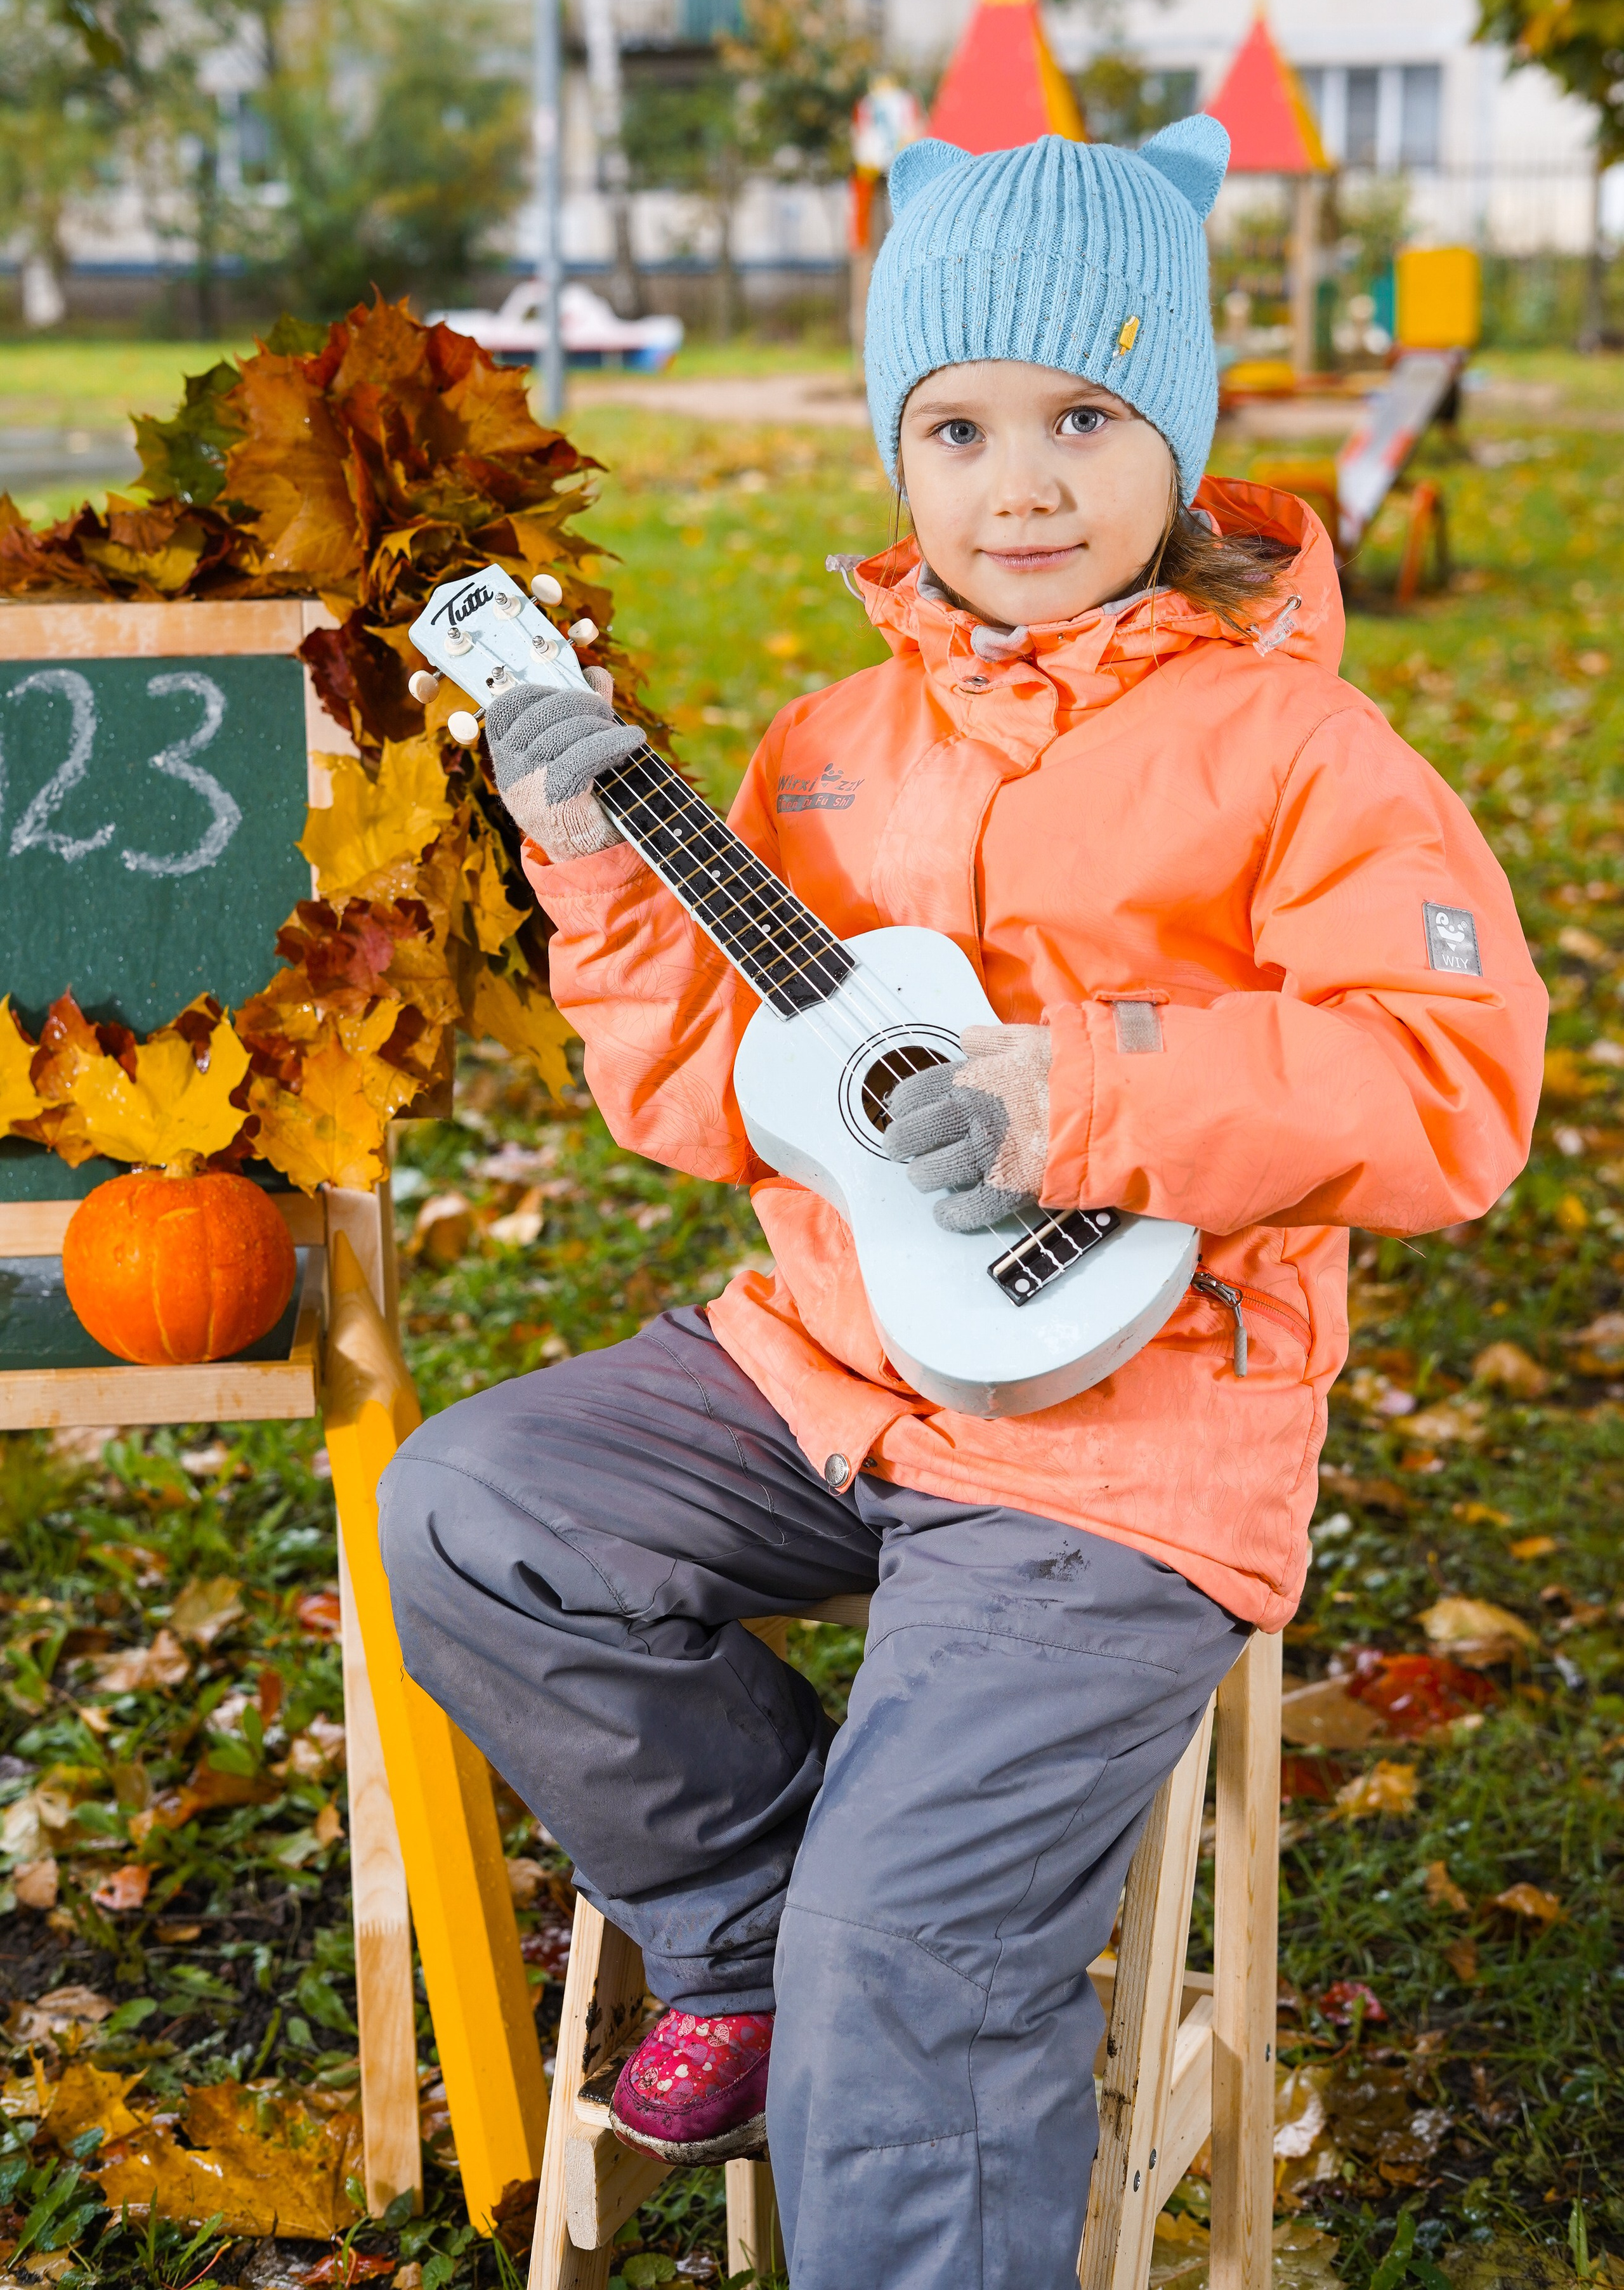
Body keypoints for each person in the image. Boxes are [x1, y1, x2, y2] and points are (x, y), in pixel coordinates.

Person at [377, 121, 1545, 2288]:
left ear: (1176, 437)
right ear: (896, 454)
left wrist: (1087, 1090)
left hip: (1126, 1440)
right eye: (960, 426)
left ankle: (869, 1976)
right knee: (468, 1509)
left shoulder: (1299, 755)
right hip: (824, 1369)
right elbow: (703, 1108)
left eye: (1087, 418)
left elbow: (1453, 1082)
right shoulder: (828, 753)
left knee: (914, 1948)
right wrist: (600, 869)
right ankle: (746, 1945)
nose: (1023, 485)